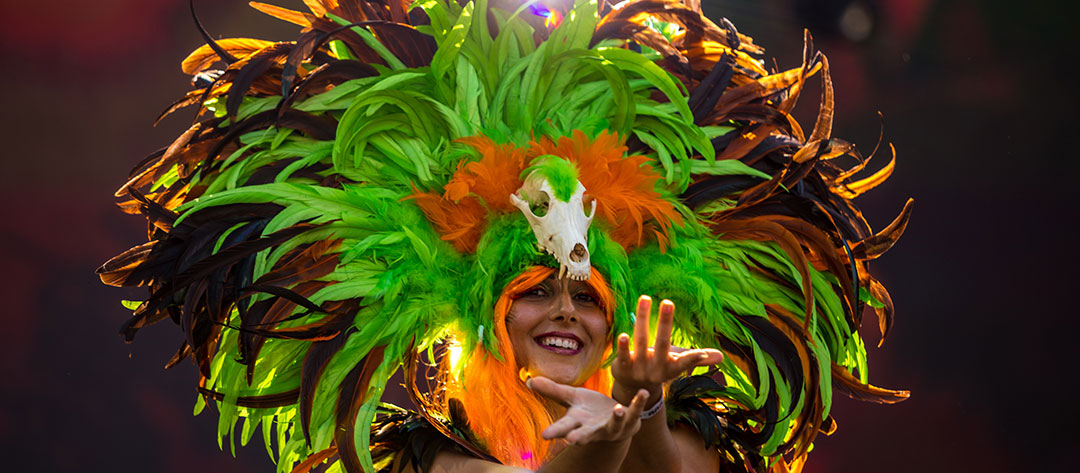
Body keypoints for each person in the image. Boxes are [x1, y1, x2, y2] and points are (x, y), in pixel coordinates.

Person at [98, 1, 911, 472]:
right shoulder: (432, 458)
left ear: (621, 316)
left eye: (586, 295)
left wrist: (645, 419)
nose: (565, 311)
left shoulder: (680, 430)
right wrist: (616, 432)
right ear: (489, 311)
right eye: (535, 290)